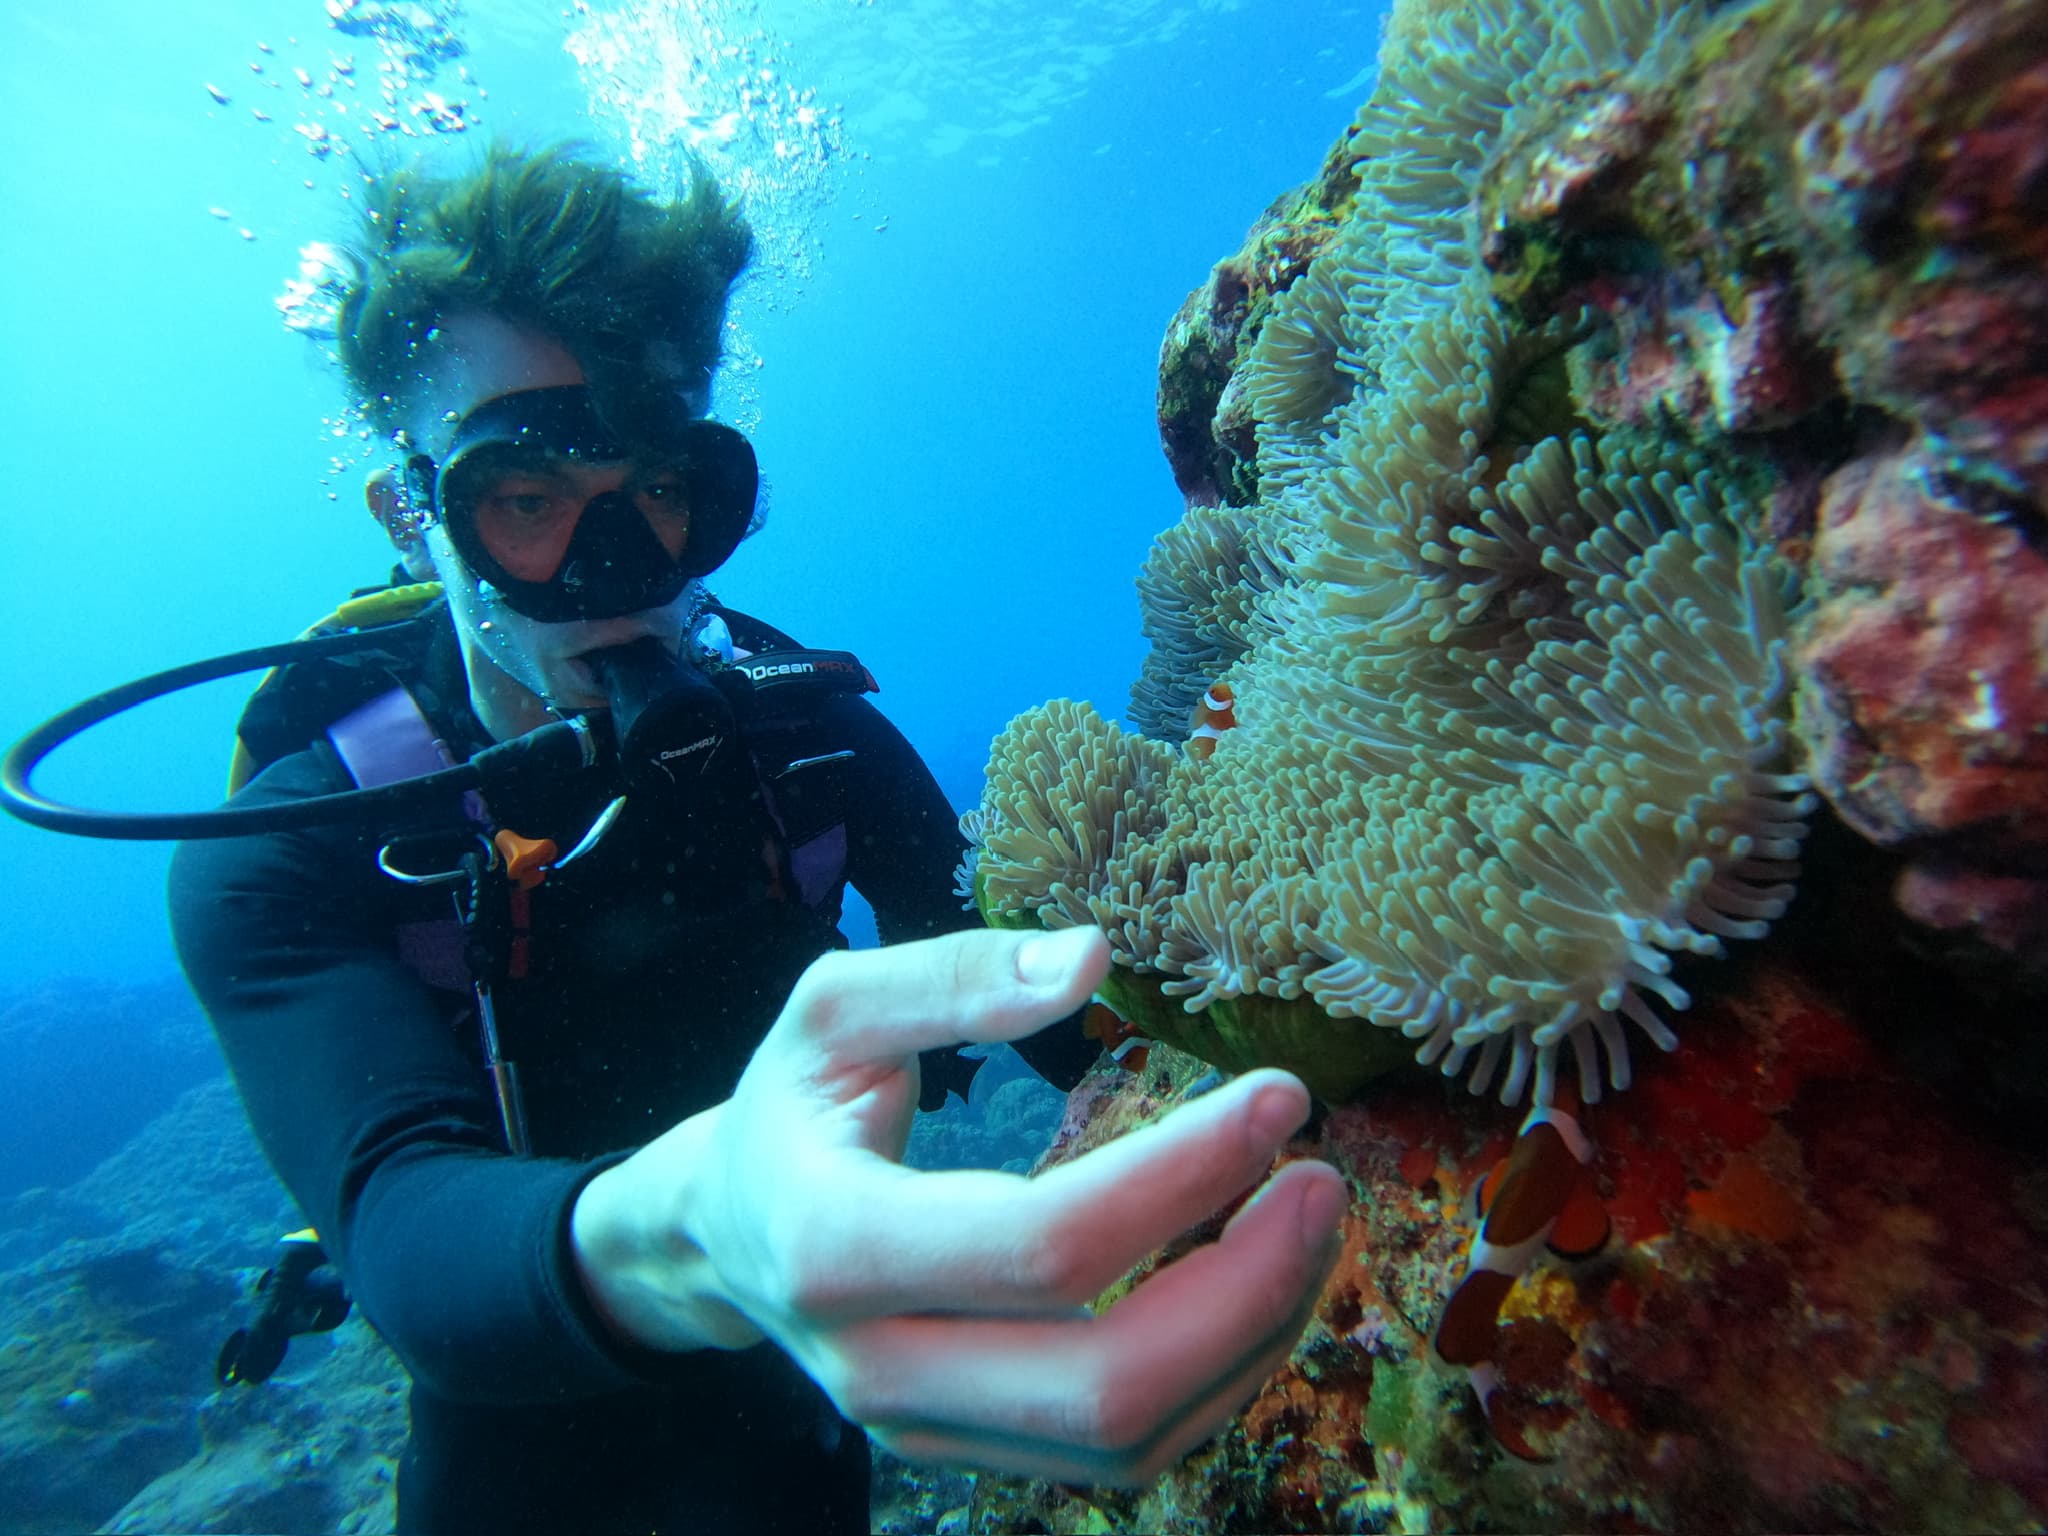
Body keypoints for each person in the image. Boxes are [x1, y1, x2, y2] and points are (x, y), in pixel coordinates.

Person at [169, 143, 1346, 1535]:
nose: (620, 574)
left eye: (659, 488)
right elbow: (401, 1233)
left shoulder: (809, 739)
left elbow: (1077, 1012)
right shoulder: (295, 843)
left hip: (798, 1403)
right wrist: (698, 1241)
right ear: (414, 509)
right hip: (516, 1427)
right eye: (528, 504)